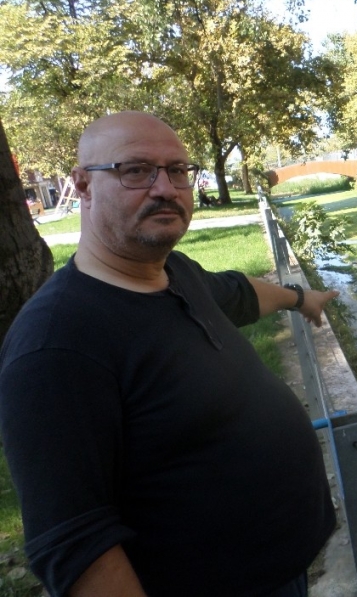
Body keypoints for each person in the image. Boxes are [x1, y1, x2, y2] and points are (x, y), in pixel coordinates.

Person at [0, 111, 339, 597]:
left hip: (281, 568)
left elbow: (238, 292)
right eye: (135, 170)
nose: (166, 188)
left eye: (178, 170)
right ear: (82, 186)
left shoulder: (172, 271)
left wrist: (301, 299)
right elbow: (77, 545)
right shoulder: (55, 345)